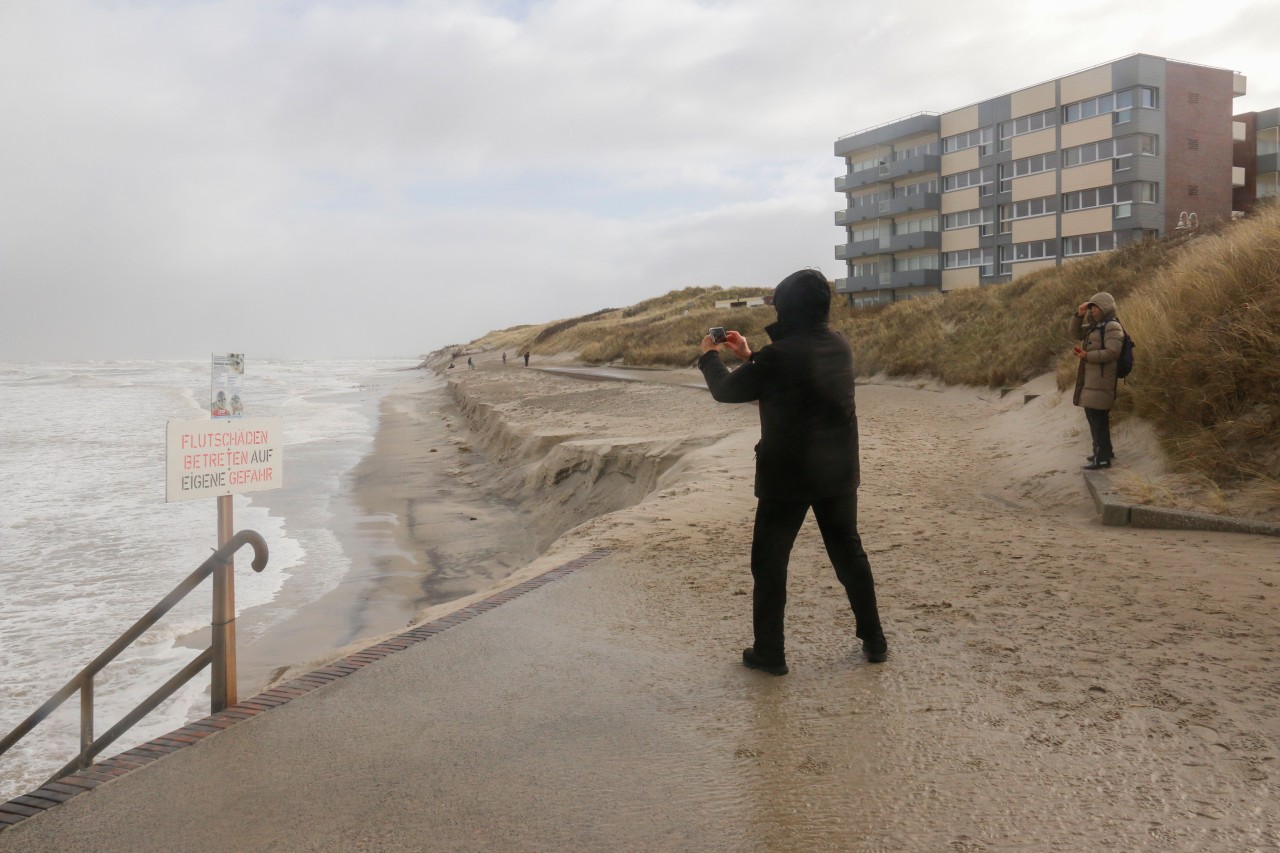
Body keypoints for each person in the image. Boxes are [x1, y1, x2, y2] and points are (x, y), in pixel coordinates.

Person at [698, 268, 887, 676]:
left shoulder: (780, 356)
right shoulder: (839, 344)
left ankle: (770, 652)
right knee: (848, 555)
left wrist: (708, 355)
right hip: (838, 471)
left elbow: (726, 391)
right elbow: (793, 377)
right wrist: (750, 355)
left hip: (788, 476)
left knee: (769, 562)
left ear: (789, 306)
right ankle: (875, 641)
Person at [1070, 292, 1124, 470]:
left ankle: (1102, 459)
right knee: (1094, 417)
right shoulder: (1096, 327)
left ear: (1105, 308)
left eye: (1095, 308)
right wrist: (1079, 314)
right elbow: (1075, 332)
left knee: (1097, 419)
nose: (1092, 311)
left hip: (1102, 381)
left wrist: (1087, 356)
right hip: (1092, 381)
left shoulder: (1112, 326)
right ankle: (1103, 452)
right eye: (1091, 308)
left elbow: (1112, 352)